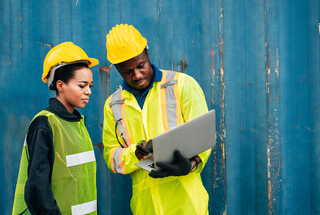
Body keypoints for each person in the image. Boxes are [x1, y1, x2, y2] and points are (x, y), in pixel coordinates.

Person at [102, 24, 211, 214]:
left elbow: (204, 137)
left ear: (147, 53)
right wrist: (138, 151)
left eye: (140, 66)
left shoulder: (181, 85)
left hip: (187, 204)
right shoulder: (113, 105)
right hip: (145, 207)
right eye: (127, 71)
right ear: (117, 68)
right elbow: (112, 158)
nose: (137, 75)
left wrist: (191, 165)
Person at [12, 42, 99, 215]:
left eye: (90, 86)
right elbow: (37, 191)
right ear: (60, 86)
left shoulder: (77, 123)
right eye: (82, 86)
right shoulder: (45, 124)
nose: (88, 91)